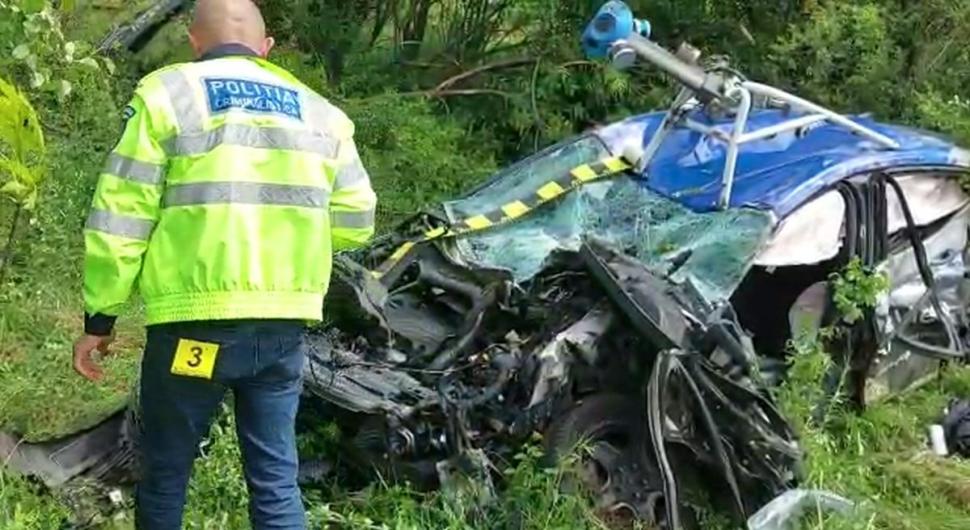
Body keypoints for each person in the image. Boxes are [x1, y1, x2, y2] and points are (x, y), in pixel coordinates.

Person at [71, 0, 377, 527]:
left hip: (195, 329)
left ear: (194, 42)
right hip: (282, 328)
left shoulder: (167, 97)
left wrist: (101, 317)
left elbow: (121, 215)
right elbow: (356, 218)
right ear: (266, 50)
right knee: (277, 480)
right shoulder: (322, 113)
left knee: (166, 471)